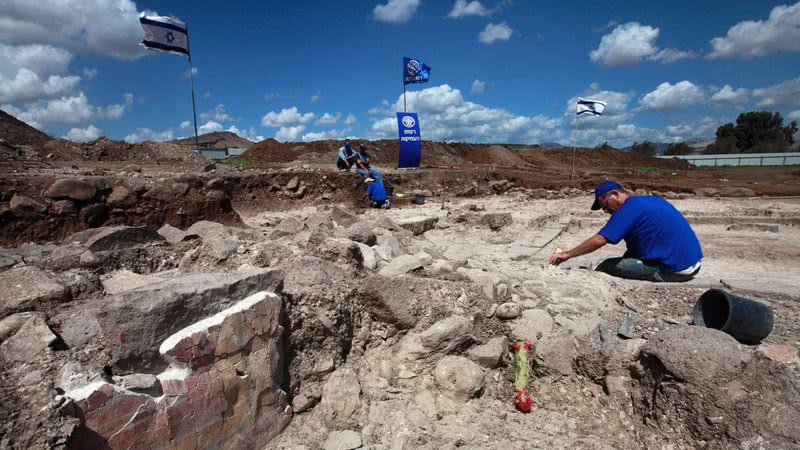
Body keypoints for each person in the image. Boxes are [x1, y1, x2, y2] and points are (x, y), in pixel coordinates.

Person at [548, 181, 702, 282]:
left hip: (676, 270)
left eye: (606, 205)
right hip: (692, 262)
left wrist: (567, 254)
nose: (606, 211)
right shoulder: (651, 201)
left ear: (615, 194)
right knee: (625, 260)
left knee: (607, 266)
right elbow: (636, 245)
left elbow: (600, 239)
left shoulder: (629, 209)